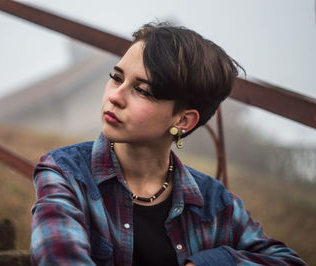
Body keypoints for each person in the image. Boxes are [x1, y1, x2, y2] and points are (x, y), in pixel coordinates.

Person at [30, 22, 306, 266]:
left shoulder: (215, 204)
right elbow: (57, 256)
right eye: (116, 77)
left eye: (142, 90)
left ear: (183, 121)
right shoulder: (65, 172)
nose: (116, 96)